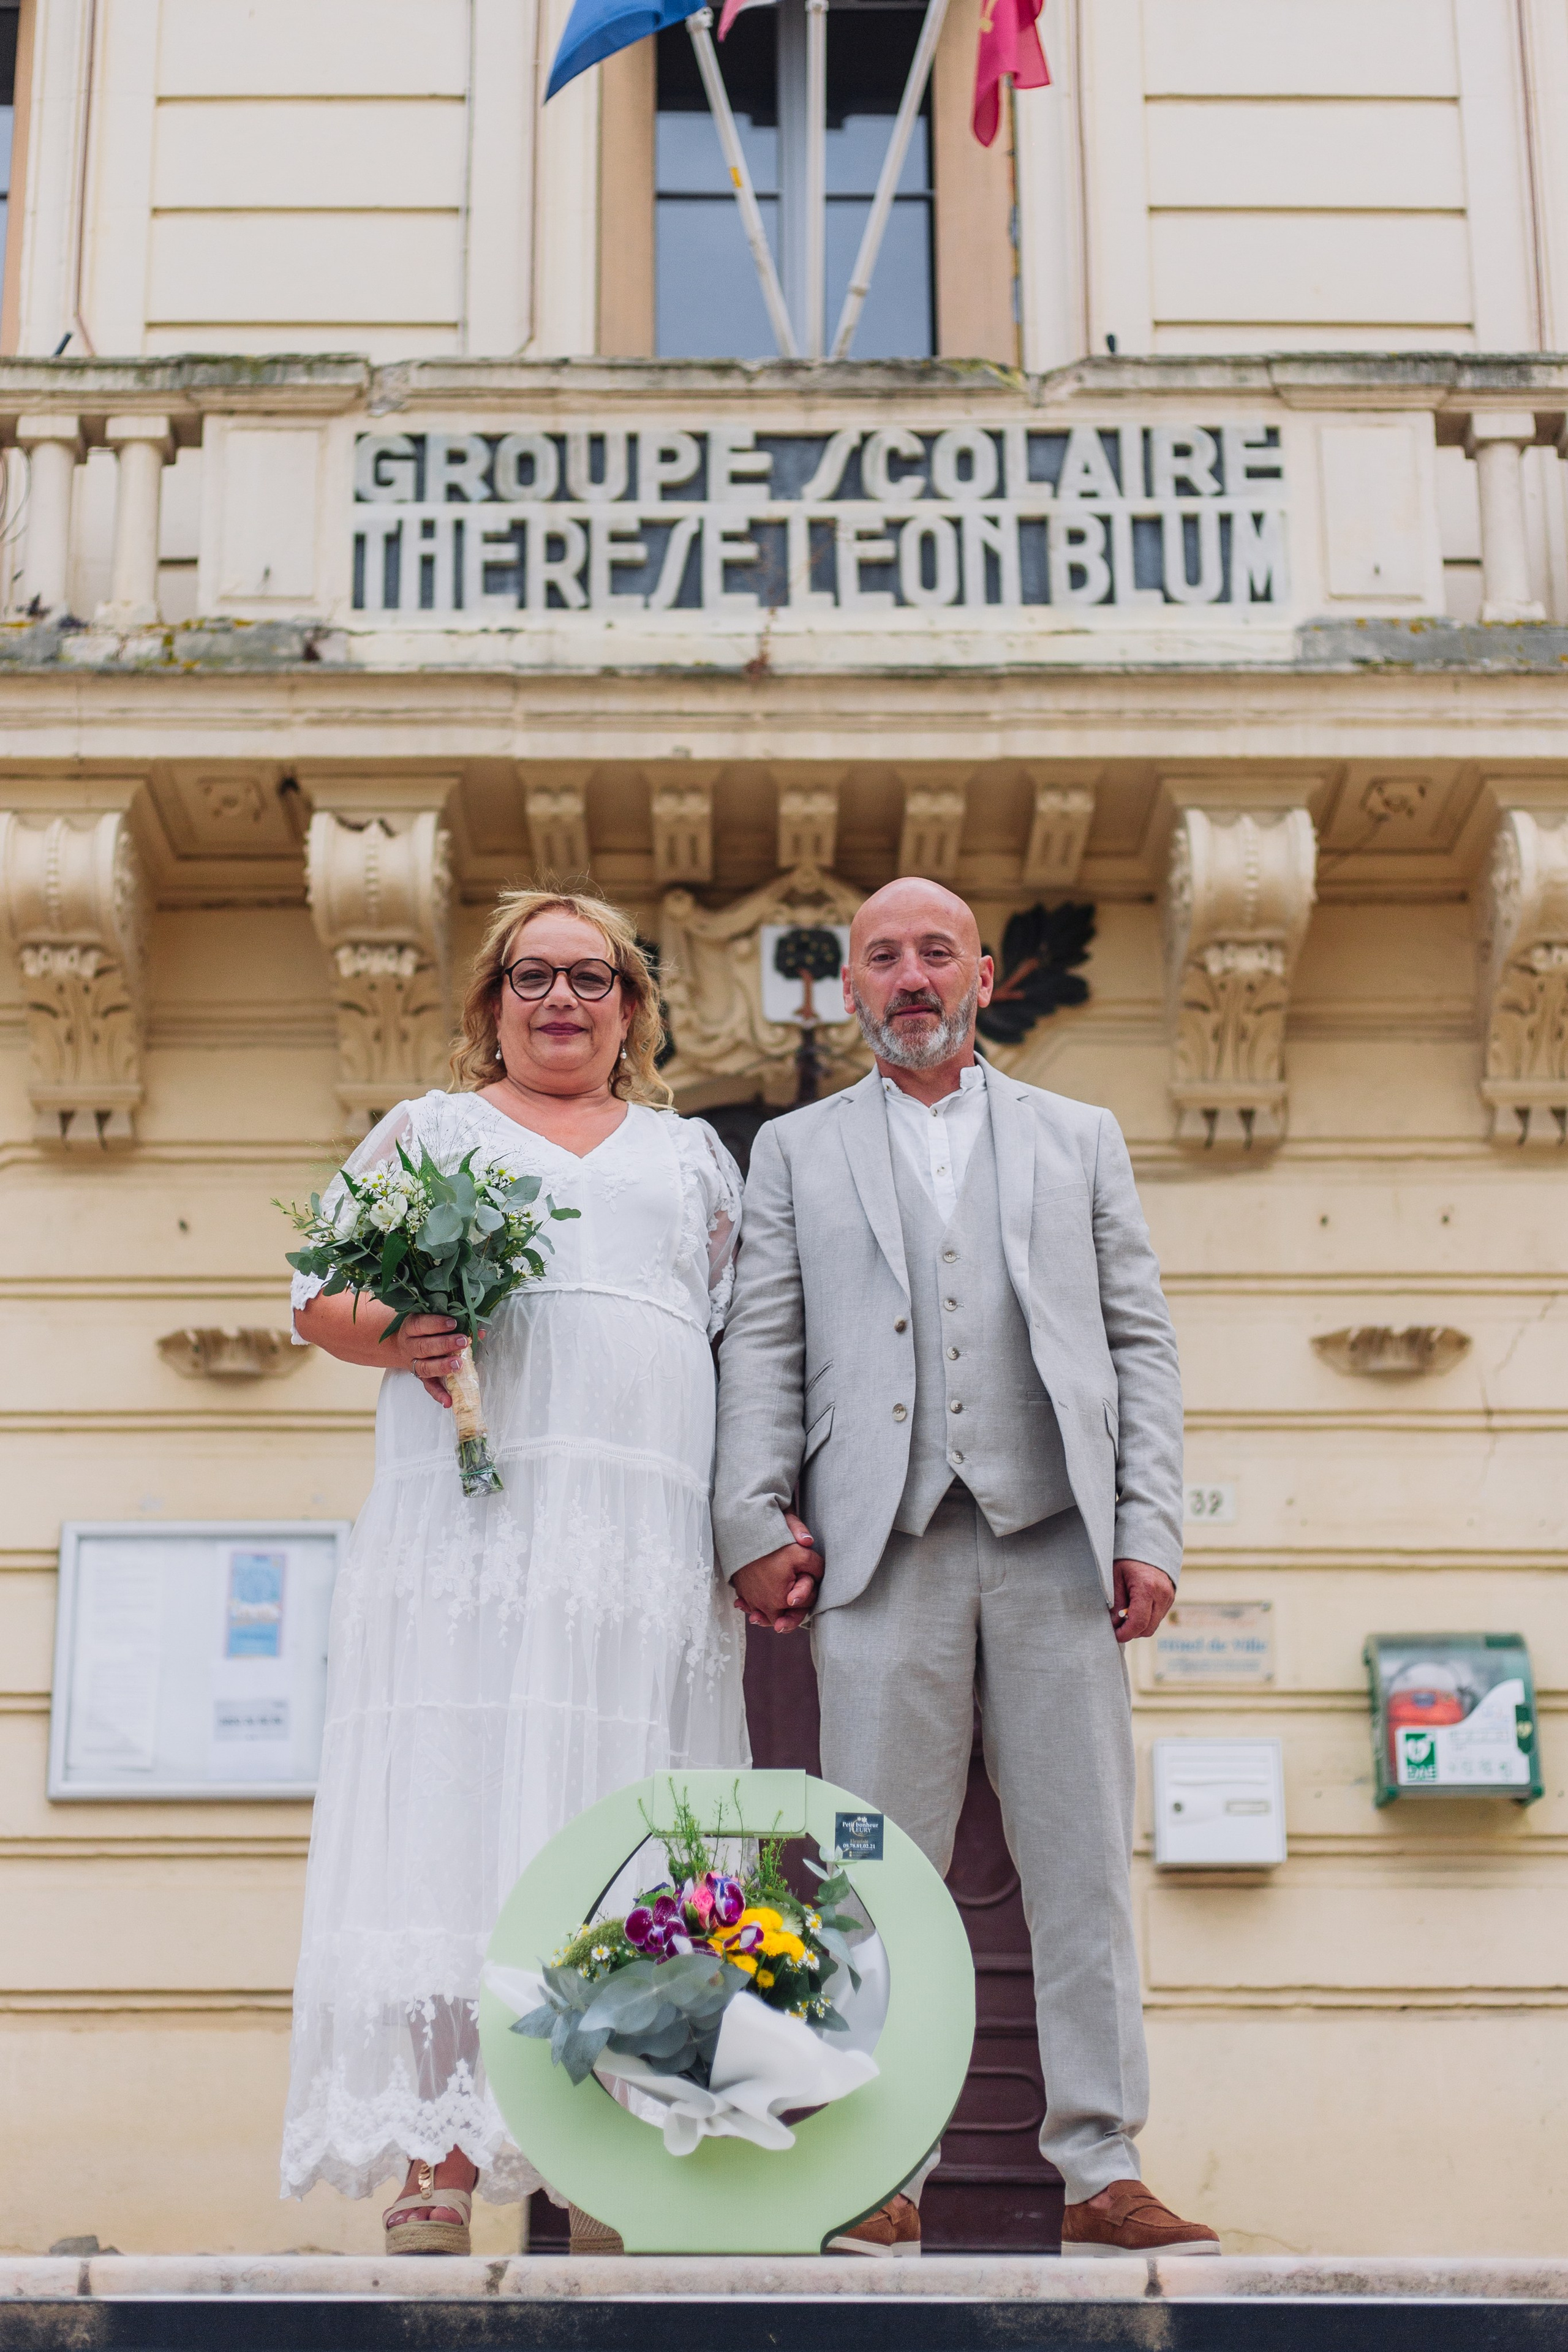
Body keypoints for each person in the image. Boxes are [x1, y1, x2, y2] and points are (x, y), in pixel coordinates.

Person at [712, 876, 1219, 2259]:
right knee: (869, 1876)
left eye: (935, 952)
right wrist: (749, 1519)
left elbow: (1139, 1344)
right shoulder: (796, 1155)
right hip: (884, 1552)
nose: (910, 977)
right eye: (883, 957)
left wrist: (1146, 1530)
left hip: (1055, 1541)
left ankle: (1099, 2164)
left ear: (983, 977)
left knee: (1079, 1871)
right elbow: (760, 1344)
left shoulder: (1080, 1137)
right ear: (848, 989)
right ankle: (881, 2164)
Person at [282, 890, 747, 2254]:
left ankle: (600, 2160)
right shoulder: (428, 1135)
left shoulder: (689, 1161)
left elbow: (729, 1334)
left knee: (616, 1840)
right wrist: (403, 1335)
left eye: (589, 979)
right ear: (489, 1001)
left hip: (635, 1561)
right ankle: (431, 2164)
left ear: (631, 1007)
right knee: (453, 1825)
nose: (560, 1001)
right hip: (473, 1546)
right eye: (531, 977)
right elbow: (318, 1296)